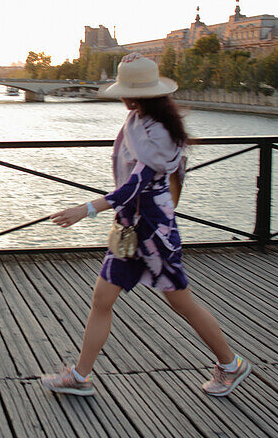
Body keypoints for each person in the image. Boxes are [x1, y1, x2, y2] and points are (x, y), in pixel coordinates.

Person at [41, 54, 251, 398]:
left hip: (154, 234)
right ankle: (80, 377)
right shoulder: (139, 120)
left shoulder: (158, 134)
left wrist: (85, 210)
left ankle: (231, 364)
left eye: (125, 91)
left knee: (182, 304)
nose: (121, 97)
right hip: (132, 229)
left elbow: (134, 187)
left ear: (137, 95)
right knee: (102, 299)